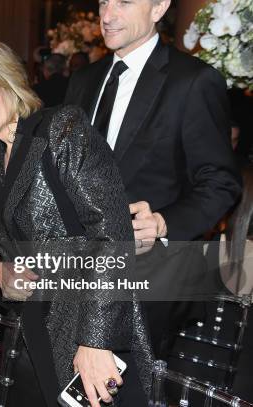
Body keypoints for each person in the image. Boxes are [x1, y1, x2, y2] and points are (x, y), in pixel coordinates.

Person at [0, 38, 153, 407]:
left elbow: (112, 237)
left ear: (5, 80)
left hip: (90, 323)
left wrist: (95, 341)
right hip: (31, 333)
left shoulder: (60, 128)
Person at [64, 0, 241, 358]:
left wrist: (163, 223)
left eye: (124, 2)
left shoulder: (192, 81)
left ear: (159, 7)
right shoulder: (84, 81)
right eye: (103, 2)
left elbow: (220, 182)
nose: (108, 15)